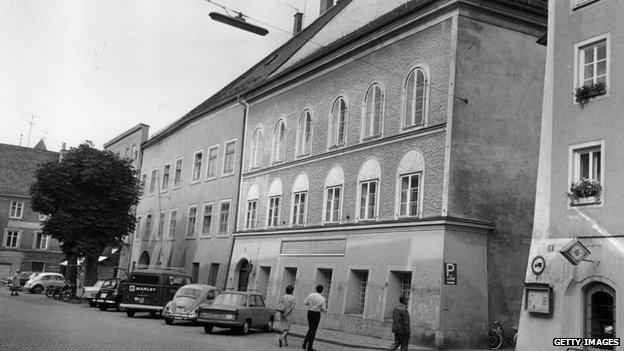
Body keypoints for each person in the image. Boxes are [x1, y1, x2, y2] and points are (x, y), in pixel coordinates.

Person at [302, 284, 326, 351]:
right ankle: (309, 347)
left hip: (310, 312)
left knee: (310, 329)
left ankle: (304, 343)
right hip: (316, 314)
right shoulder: (322, 299)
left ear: (316, 289)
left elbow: (305, 303)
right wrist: (319, 307)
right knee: (313, 330)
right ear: (322, 290)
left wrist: (311, 304)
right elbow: (324, 309)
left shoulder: (311, 295)